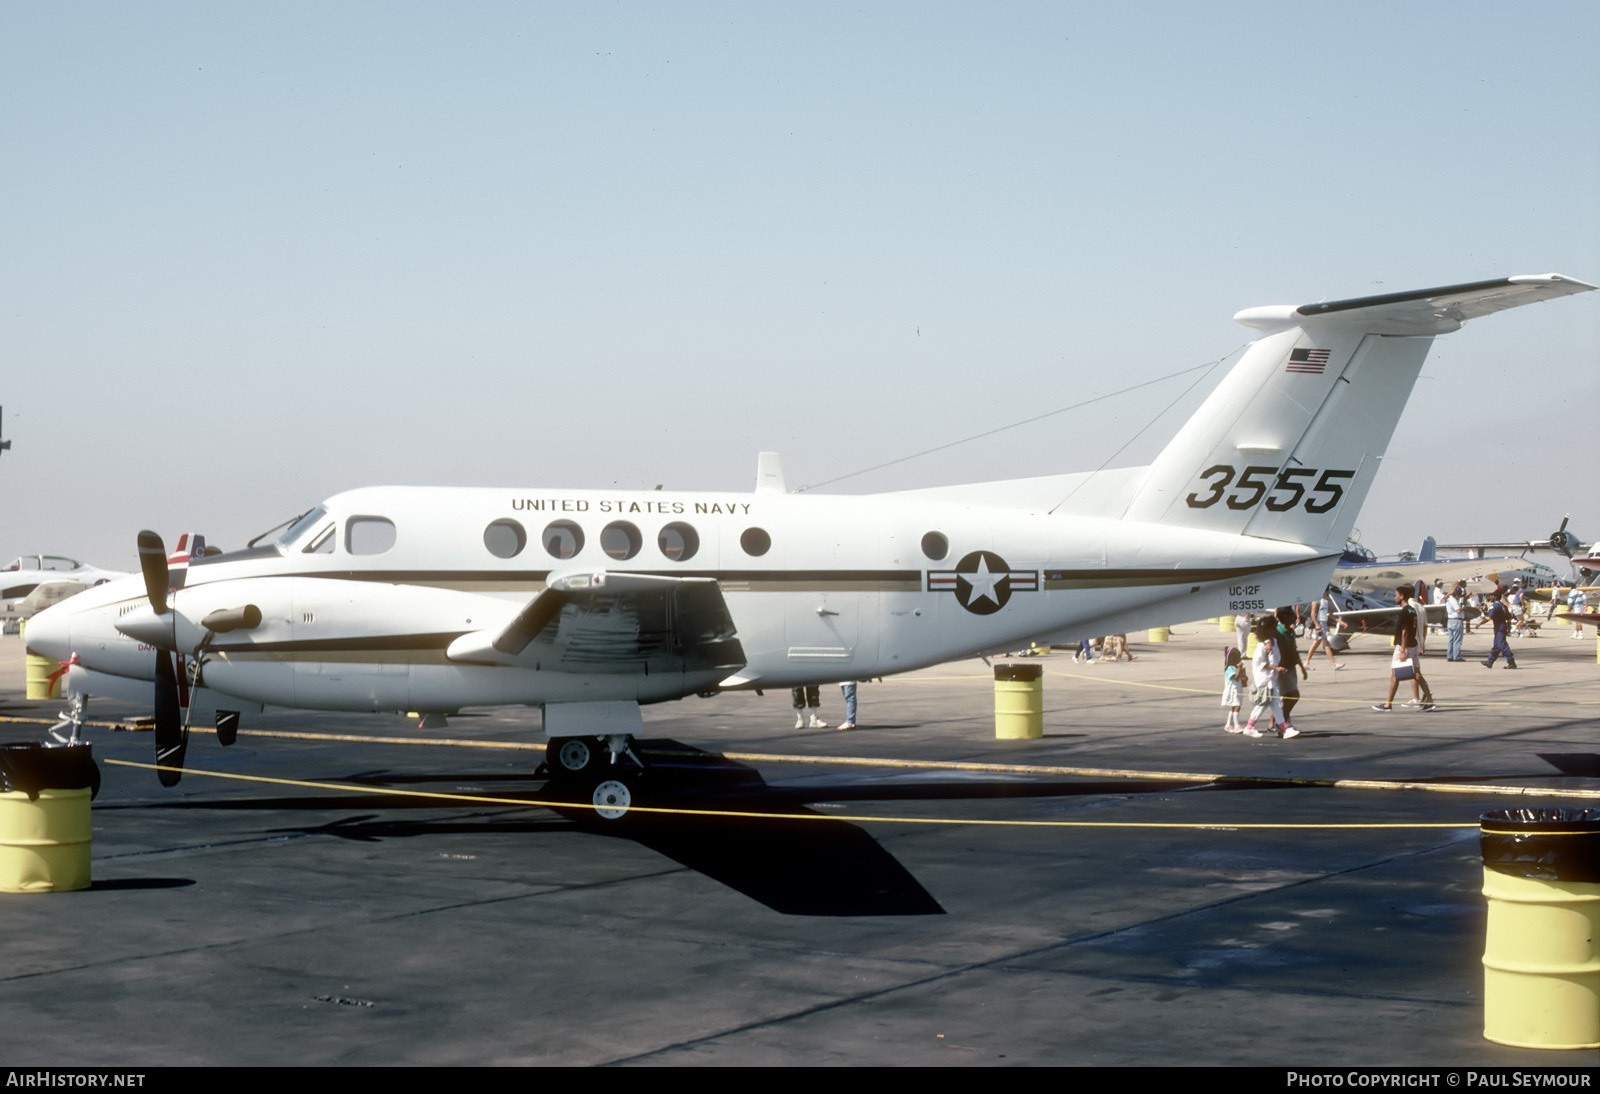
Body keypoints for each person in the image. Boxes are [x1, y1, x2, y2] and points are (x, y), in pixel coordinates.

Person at [1373, 585, 1434, 711]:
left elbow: (1404, 631)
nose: (1395, 597)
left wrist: (1402, 650)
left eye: (1396, 595)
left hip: (1404, 647)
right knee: (1417, 674)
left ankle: (1387, 704)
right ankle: (1430, 700)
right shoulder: (1413, 611)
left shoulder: (1404, 611)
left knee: (1395, 675)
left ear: (1402, 596)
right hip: (1414, 645)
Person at [1243, 617, 1296, 738]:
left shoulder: (1273, 641)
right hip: (1265, 679)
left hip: (1272, 678)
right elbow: (1258, 662)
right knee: (1268, 704)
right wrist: (1276, 668)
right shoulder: (1262, 646)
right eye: (1273, 627)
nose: (1275, 629)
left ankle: (1283, 729)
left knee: (1273, 704)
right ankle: (1283, 730)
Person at [1274, 606, 1309, 725]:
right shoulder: (1277, 632)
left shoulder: (1290, 631)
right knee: (1293, 695)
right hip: (1282, 669)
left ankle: (1284, 723)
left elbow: (1294, 651)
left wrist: (1302, 668)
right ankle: (1281, 723)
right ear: (1285, 616)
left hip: (1291, 667)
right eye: (1291, 614)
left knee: (1287, 697)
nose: (1294, 617)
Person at [1304, 587, 1344, 670]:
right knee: (1326, 644)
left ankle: (1307, 662)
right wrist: (1317, 625)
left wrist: (1340, 621)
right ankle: (1334, 663)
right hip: (1320, 623)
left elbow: (1330, 614)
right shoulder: (1316, 601)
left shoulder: (1325, 601)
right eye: (1328, 590)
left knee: (1316, 643)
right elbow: (1312, 614)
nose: (1329, 592)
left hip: (1324, 624)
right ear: (1325, 591)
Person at [1481, 590, 1517, 669]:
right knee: (1496, 646)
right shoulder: (1503, 605)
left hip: (1499, 628)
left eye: (1491, 595)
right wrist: (1509, 627)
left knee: (1503, 646)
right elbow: (1509, 618)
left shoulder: (1495, 606)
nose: (1490, 597)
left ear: (1495, 597)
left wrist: (1479, 624)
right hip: (1502, 627)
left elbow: (1488, 618)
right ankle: (1490, 662)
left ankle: (1511, 662)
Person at [1221, 646, 1247, 733]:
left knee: (1233, 707)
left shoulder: (1235, 667)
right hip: (1232, 690)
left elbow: (1241, 680)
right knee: (1237, 706)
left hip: (1238, 689)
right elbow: (1235, 678)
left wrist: (1244, 674)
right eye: (1237, 657)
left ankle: (1228, 724)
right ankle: (1236, 725)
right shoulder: (1229, 668)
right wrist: (1239, 668)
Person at [1444, 582, 1467, 662]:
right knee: (1457, 639)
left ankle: (1449, 655)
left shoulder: (1449, 599)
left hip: (1450, 620)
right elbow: (1458, 611)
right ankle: (1456, 656)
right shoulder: (1453, 600)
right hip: (1456, 621)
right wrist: (1462, 608)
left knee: (1451, 639)